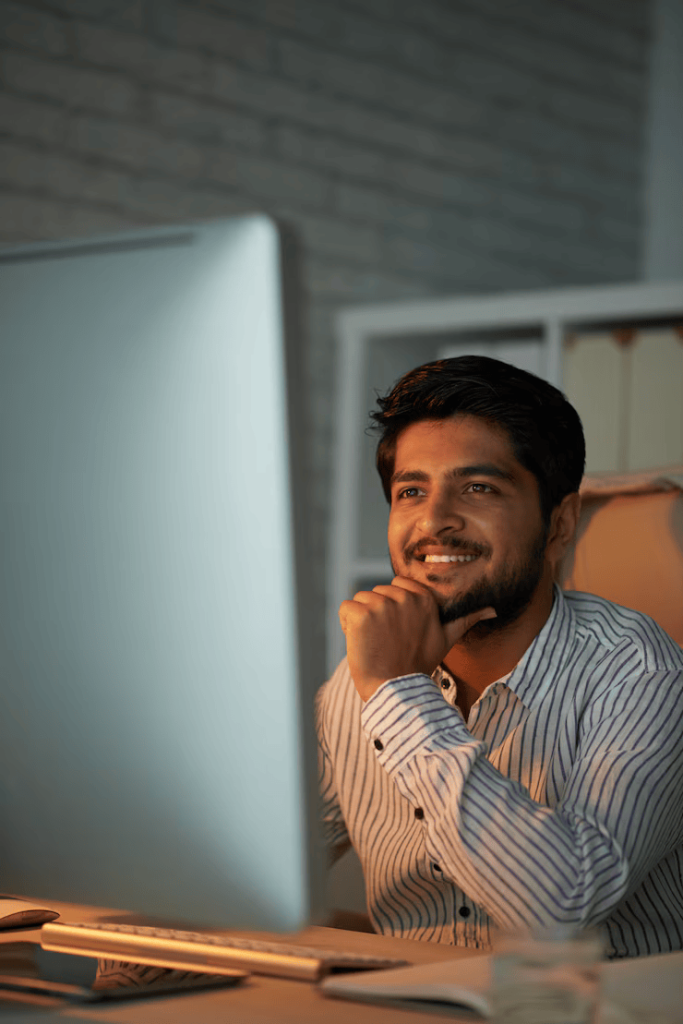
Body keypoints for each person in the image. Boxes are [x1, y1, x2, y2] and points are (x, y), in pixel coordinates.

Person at [317, 355, 683, 958]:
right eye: (412, 491)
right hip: (411, 1004)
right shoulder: (357, 680)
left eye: (478, 487)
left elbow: (561, 908)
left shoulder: (644, 675)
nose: (434, 521)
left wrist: (398, 694)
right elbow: (241, 860)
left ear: (559, 525)